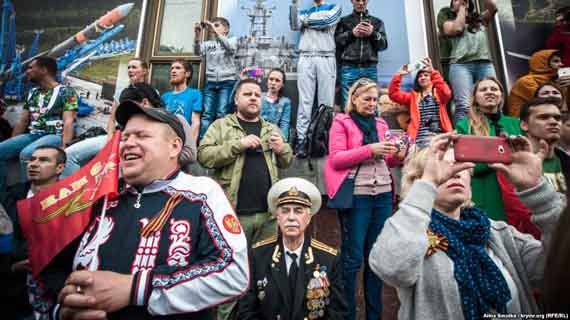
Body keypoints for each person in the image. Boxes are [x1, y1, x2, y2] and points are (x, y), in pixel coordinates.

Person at [54, 100, 249, 319]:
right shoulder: (97, 195)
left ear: (174, 147)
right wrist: (63, 308)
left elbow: (233, 272)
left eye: (142, 136)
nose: (128, 143)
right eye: (125, 136)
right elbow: (54, 266)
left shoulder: (201, 192)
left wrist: (136, 289)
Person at [369, 133, 563, 320]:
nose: (455, 173)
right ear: (417, 180)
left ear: (470, 181)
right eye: (444, 165)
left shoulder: (499, 234)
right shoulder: (409, 230)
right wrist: (427, 184)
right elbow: (392, 268)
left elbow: (559, 268)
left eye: (461, 165)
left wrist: (538, 191)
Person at [197, 78, 293, 319]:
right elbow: (204, 156)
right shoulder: (221, 125)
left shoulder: (271, 128)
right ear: (236, 99)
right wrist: (237, 145)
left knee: (263, 272)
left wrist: (282, 148)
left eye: (257, 95)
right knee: (230, 272)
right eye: (247, 94)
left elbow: (287, 160)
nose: (253, 98)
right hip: (233, 216)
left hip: (269, 217)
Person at [324, 78, 404, 320]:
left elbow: (387, 160)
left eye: (375, 100)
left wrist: (398, 154)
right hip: (357, 198)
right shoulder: (342, 122)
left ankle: (374, 315)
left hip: (382, 197)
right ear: (354, 99)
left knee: (375, 258)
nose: (372, 104)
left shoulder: (380, 123)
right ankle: (347, 314)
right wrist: (371, 150)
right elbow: (336, 158)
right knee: (353, 258)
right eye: (366, 99)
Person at [237, 177, 346, 320]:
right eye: (285, 211)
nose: (291, 218)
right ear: (277, 217)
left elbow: (337, 313)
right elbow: (246, 311)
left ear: (308, 218)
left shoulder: (328, 258)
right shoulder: (258, 255)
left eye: (298, 211)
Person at [3, 146, 66, 319]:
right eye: (32, 159)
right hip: (15, 295)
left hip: (57, 294)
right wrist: (13, 267)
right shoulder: (10, 198)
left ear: (60, 168)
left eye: (44, 160)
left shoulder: (72, 202)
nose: (33, 164)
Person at [0, 56, 77, 194]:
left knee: (27, 153)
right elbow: (22, 121)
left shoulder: (66, 92)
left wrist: (65, 148)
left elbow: (68, 121)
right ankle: (3, 193)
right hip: (33, 134)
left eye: (31, 67)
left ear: (43, 70)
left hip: (54, 135)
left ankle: (30, 194)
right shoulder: (32, 93)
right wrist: (12, 142)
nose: (27, 71)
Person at [62, 58, 148, 177]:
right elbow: (112, 120)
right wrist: (109, 140)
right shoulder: (121, 92)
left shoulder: (152, 93)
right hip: (114, 136)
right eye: (128, 67)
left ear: (144, 71)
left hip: (131, 140)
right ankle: (72, 192)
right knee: (68, 155)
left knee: (114, 171)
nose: (130, 70)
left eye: (134, 67)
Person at [456, 77, 521, 221]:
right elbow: (466, 165)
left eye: (494, 89)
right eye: (483, 89)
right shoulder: (464, 126)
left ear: (501, 96)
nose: (489, 92)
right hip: (486, 194)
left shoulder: (517, 124)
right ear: (475, 98)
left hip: (517, 194)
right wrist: (506, 155)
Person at [290, 0, 342, 154]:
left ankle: (323, 141)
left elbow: (327, 21)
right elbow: (294, 24)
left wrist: (305, 21)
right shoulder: (304, 11)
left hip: (326, 56)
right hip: (305, 56)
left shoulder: (334, 7)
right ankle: (302, 141)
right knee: (305, 101)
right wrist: (294, 4)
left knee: (326, 103)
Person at [437, 0, 498, 122]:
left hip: (484, 64)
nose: (461, 1)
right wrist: (461, 9)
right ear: (452, 6)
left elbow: (493, 8)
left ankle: (493, 134)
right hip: (461, 66)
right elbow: (458, 28)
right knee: (464, 106)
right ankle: (464, 138)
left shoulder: (479, 19)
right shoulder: (448, 19)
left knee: (492, 103)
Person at [388, 57, 453, 148]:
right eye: (420, 76)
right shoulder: (413, 97)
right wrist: (399, 75)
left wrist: (433, 72)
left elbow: (446, 92)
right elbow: (393, 94)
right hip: (420, 138)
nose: (422, 77)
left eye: (426, 75)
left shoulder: (439, 94)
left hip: (440, 136)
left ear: (431, 78)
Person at [334, 0, 387, 110]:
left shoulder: (377, 22)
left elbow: (383, 45)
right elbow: (337, 43)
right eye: (357, 0)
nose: (361, 3)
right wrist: (352, 33)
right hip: (349, 68)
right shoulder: (344, 21)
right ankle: (348, 127)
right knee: (347, 104)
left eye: (364, 0)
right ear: (352, 1)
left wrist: (372, 34)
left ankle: (370, 127)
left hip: (369, 68)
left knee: (372, 104)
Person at [194, 17, 238, 139]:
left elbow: (230, 47)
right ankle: (203, 142)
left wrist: (214, 29)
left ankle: (220, 141)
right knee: (207, 114)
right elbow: (197, 52)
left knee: (221, 113)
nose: (213, 28)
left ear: (226, 29)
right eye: (213, 26)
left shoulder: (232, 40)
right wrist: (197, 35)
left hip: (227, 82)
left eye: (217, 25)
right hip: (211, 82)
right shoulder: (208, 44)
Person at [519, 97, 569, 194]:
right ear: (524, 125)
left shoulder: (566, 161)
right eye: (543, 117)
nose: (554, 122)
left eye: (557, 118)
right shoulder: (513, 164)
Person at [508, 49, 564, 117]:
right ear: (542, 63)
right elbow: (546, 102)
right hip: (522, 123)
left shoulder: (553, 80)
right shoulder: (526, 81)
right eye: (556, 61)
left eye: (561, 61)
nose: (561, 64)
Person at [162, 59, 202, 144]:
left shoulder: (195, 94)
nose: (173, 71)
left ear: (187, 74)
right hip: (165, 141)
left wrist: (190, 146)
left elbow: (195, 123)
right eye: (172, 68)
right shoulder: (165, 97)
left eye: (178, 68)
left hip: (183, 140)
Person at [261, 68, 291, 142]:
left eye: (277, 80)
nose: (273, 83)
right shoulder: (259, 96)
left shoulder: (285, 102)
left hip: (274, 137)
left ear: (282, 84)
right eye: (271, 79)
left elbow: (284, 123)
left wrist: (283, 142)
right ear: (267, 81)